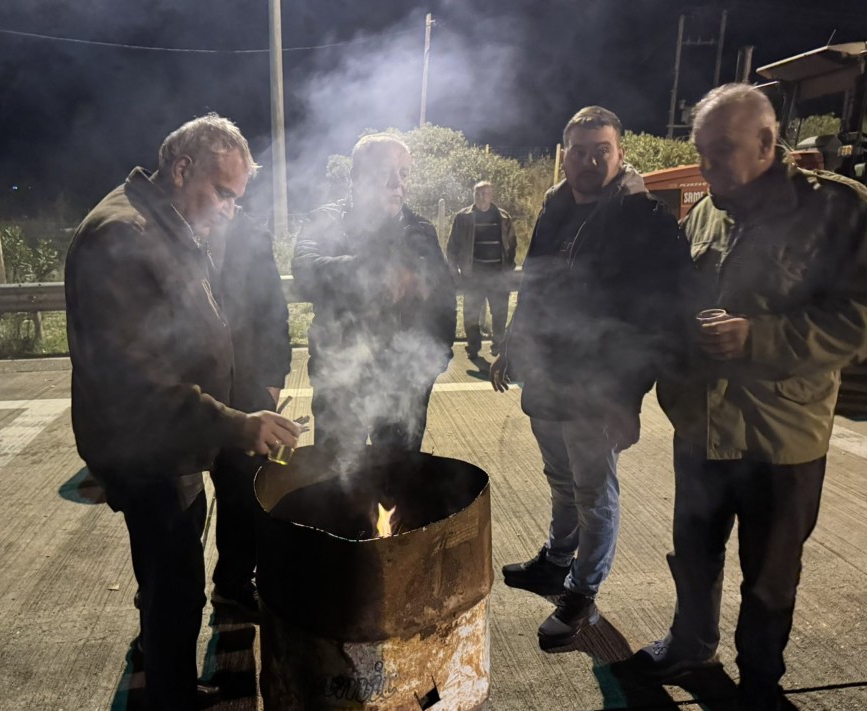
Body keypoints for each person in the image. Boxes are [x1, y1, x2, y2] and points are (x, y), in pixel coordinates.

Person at [64, 114, 300, 711]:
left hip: (169, 442)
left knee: (171, 583)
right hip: (148, 448)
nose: (229, 211)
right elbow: (142, 381)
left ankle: (168, 691)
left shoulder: (164, 223)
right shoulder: (123, 236)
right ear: (182, 170)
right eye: (224, 194)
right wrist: (238, 424)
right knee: (173, 590)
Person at [632, 84, 867, 711]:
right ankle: (690, 646)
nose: (707, 167)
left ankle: (761, 681)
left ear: (769, 143)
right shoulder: (706, 210)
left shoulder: (837, 211)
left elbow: (857, 321)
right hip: (703, 426)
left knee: (769, 577)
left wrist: (757, 337)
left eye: (722, 151)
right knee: (693, 552)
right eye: (701, 152)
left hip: (780, 436)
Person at [492, 106, 691, 650]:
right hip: (548, 374)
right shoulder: (556, 206)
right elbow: (535, 284)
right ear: (564, 155)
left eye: (601, 149)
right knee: (560, 481)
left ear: (620, 153)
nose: (589, 160)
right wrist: (512, 344)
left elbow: (655, 319)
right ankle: (557, 561)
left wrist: (627, 397)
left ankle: (583, 591)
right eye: (578, 151)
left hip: (600, 387)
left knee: (593, 491)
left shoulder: (642, 217)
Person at [293, 134, 455, 458]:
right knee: (336, 478)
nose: (397, 183)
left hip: (404, 382)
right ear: (357, 176)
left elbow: (445, 300)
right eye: (385, 171)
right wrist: (373, 271)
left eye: (404, 173)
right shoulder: (326, 220)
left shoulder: (420, 231)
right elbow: (304, 269)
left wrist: (434, 362)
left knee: (396, 483)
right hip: (341, 381)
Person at [206, 207, 291, 621]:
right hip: (189, 389)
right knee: (177, 504)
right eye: (222, 192)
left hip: (248, 386)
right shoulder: (172, 234)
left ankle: (233, 585)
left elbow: (274, 311)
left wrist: (273, 381)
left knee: (243, 491)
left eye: (235, 196)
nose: (229, 205)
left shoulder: (252, 236)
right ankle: (161, 601)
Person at [446, 181, 518, 357]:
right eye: (477, 194)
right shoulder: (463, 217)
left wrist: (508, 269)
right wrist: (455, 270)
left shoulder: (503, 218)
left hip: (497, 275)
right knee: (471, 314)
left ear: (491, 195)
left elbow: (512, 245)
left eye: (485, 193)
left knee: (499, 313)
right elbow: (452, 247)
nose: (481, 197)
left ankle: (498, 346)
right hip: (473, 275)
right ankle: (473, 347)